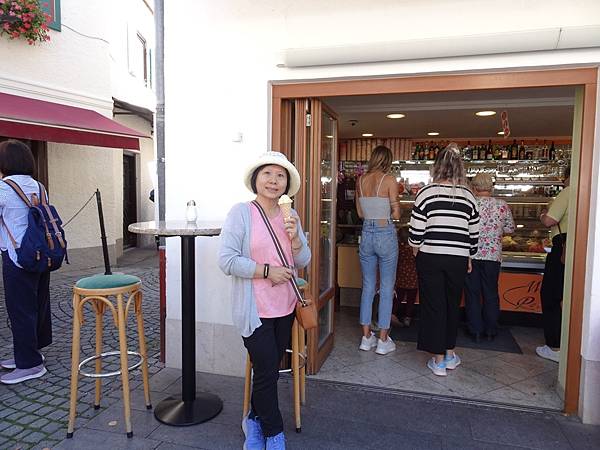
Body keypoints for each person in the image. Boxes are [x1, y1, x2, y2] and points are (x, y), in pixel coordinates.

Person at [219, 151, 310, 450]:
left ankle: (253, 420)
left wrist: (296, 239)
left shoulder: (291, 215)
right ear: (256, 179)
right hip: (254, 308)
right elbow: (227, 260)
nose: (273, 180)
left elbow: (304, 259)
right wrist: (266, 271)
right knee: (268, 369)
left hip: (284, 305)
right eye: (268, 174)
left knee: (267, 370)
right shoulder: (241, 212)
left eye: (280, 175)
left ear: (286, 184)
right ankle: (274, 433)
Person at [409, 143, 479, 377]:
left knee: (433, 305)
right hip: (458, 258)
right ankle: (449, 354)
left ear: (437, 167)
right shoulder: (469, 195)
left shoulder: (427, 193)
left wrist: (416, 249)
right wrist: (470, 255)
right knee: (451, 305)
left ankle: (438, 361)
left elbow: (416, 230)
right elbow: (474, 232)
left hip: (430, 256)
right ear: (460, 168)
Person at [0, 140, 51, 384]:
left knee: (20, 310)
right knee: (37, 304)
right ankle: (30, 352)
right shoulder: (39, 187)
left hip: (17, 256)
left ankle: (30, 364)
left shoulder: (3, 188)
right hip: (41, 253)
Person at [356, 145, 401, 355]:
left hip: (366, 233)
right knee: (386, 287)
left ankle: (366, 338)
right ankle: (383, 340)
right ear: (388, 160)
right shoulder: (390, 180)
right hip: (385, 233)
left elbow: (360, 213)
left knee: (367, 286)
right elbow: (397, 212)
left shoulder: (361, 180)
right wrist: (395, 212)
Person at [464, 173, 515, 342]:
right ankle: (491, 330)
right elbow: (510, 229)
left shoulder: (470, 204)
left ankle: (476, 330)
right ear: (490, 187)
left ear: (474, 187)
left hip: (471, 255)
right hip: (493, 256)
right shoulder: (502, 205)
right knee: (491, 293)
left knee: (472, 293)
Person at [536, 166, 570, 363]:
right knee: (565, 296)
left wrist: (542, 215)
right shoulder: (587, 189)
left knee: (551, 294)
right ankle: (568, 342)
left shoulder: (568, 191)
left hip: (562, 247)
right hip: (577, 247)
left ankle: (554, 346)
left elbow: (550, 221)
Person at [392, 225, 418, 328]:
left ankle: (393, 313)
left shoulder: (399, 248)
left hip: (401, 279)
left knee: (398, 298)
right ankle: (408, 318)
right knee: (411, 301)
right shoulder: (414, 249)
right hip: (413, 279)